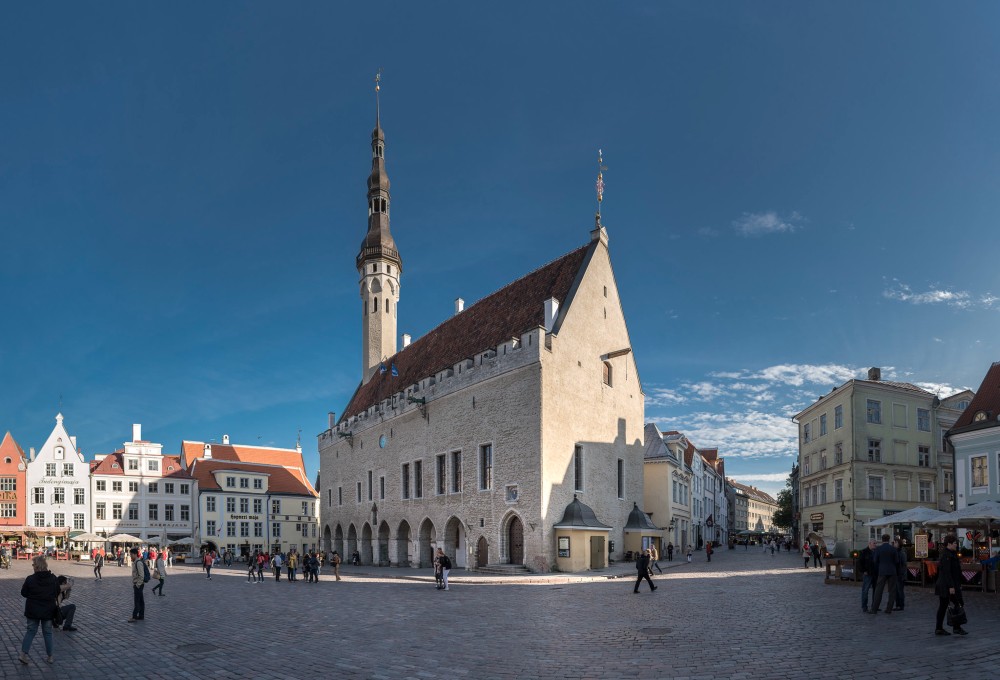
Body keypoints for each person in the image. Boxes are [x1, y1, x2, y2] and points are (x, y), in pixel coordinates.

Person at [19, 555, 60, 664]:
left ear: (36, 566)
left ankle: (23, 654)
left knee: (31, 631)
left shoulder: (30, 579)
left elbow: (24, 593)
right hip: (48, 610)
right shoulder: (53, 578)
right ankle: (50, 656)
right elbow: (57, 592)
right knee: (47, 633)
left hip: (33, 610)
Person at [934, 534, 967, 635]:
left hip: (952, 584)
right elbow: (946, 572)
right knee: (946, 606)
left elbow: (956, 571)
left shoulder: (952, 554)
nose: (956, 545)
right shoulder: (946, 555)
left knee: (956, 604)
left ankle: (955, 627)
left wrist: (960, 582)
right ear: (949, 544)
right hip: (946, 585)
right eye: (954, 543)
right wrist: (951, 587)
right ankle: (940, 628)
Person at [870, 534, 899, 615]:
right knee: (892, 591)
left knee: (878, 590)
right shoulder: (893, 549)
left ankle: (874, 609)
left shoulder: (878, 549)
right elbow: (897, 561)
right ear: (889, 539)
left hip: (882, 571)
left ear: (882, 540)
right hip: (892, 571)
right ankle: (889, 609)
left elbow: (875, 560)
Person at [127, 548, 146, 623]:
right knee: (141, 601)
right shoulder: (135, 562)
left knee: (137, 601)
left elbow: (141, 575)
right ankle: (141, 616)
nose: (130, 556)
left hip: (139, 584)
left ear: (135, 554)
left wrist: (137, 585)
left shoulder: (138, 562)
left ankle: (134, 617)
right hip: (138, 584)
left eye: (131, 554)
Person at [858, 539, 877, 612]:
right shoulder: (864, 552)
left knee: (876, 591)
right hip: (868, 574)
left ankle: (874, 606)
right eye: (874, 543)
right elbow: (860, 563)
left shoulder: (876, 551)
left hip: (875, 574)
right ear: (869, 543)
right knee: (865, 591)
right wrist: (863, 571)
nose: (875, 544)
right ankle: (864, 606)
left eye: (875, 543)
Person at [893, 539, 907, 612]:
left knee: (900, 590)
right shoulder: (896, 551)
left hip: (900, 574)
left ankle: (901, 605)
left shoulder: (901, 552)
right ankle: (898, 605)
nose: (894, 544)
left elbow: (903, 564)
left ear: (898, 544)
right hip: (896, 574)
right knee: (896, 591)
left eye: (895, 542)